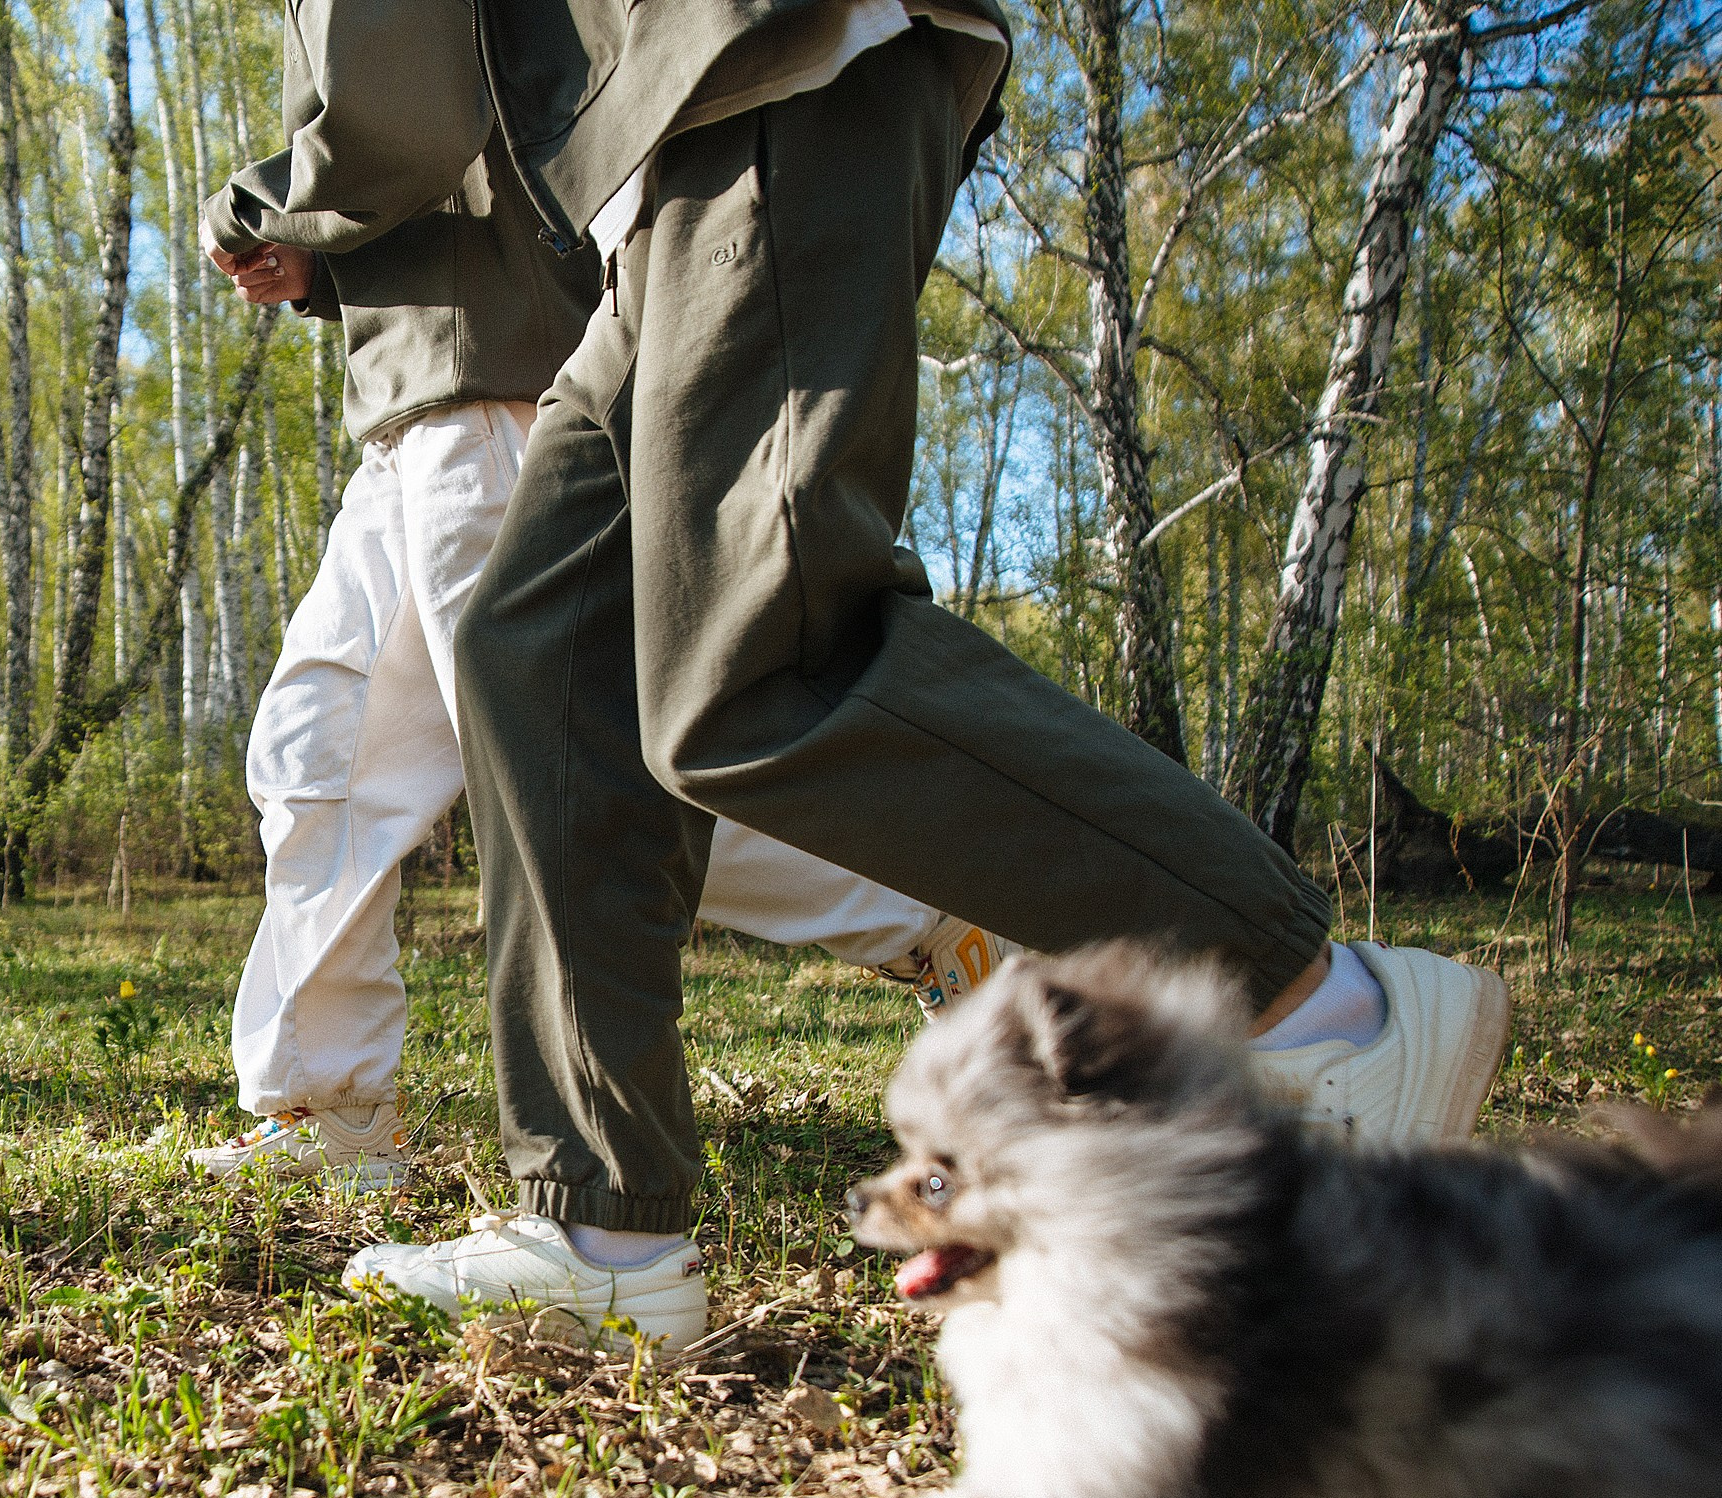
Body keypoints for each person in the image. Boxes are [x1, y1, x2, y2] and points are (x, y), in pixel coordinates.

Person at [329, 0, 1511, 1349]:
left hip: (765, 55)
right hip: (648, 166)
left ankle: (1320, 1003)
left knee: (758, 650)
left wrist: (303, 203)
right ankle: (601, 1225)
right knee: (540, 654)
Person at [186, 2, 1009, 1214]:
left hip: (504, 379)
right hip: (419, 383)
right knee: (321, 747)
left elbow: (405, 119)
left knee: (575, 776)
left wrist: (262, 208)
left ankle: (939, 914)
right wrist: (324, 259)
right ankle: (332, 1108)